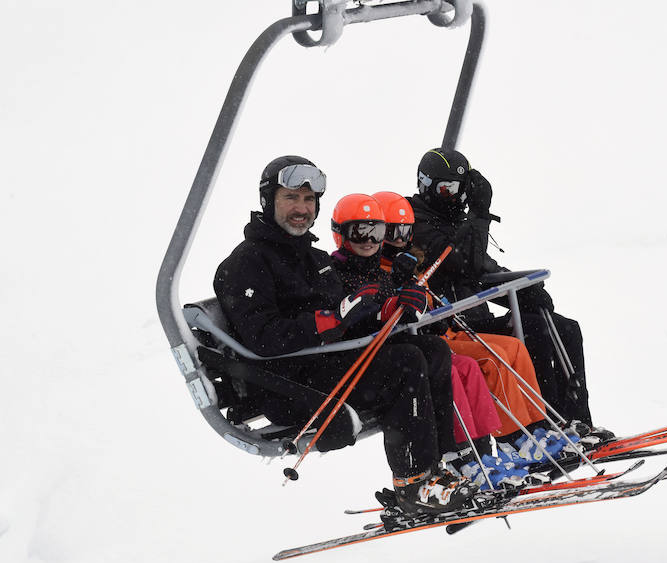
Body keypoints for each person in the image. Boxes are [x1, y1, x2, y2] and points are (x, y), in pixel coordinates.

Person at [213, 156, 479, 515]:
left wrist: (389, 310)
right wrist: (329, 319)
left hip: (325, 366)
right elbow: (263, 338)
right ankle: (414, 483)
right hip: (287, 385)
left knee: (430, 349)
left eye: (309, 201)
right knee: (405, 362)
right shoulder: (247, 263)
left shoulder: (313, 257)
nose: (301, 209)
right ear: (268, 200)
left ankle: (441, 470)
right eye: (291, 197)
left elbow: (348, 316)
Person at [407, 148, 613, 441]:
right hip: (453, 324)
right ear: (426, 185)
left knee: (564, 327)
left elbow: (483, 270)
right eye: (447, 188)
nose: (456, 197)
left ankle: (577, 421)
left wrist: (523, 289)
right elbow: (463, 263)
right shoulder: (417, 223)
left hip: (475, 315)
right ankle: (551, 424)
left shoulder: (456, 223)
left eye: (462, 189)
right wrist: (479, 216)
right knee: (535, 332)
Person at [329, 193, 499, 459]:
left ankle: (481, 452)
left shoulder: (388, 270)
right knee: (440, 365)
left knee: (465, 366)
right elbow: (355, 316)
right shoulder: (337, 273)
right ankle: (453, 456)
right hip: (369, 364)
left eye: (377, 232)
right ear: (341, 233)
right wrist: (393, 306)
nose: (371, 240)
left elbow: (418, 311)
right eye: (360, 232)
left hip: (406, 349)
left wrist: (415, 301)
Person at [373, 191, 549, 442]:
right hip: (428, 341)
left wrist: (439, 305)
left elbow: (437, 291)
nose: (400, 241)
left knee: (515, 347)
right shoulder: (378, 269)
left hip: (447, 330)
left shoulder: (414, 260)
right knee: (492, 359)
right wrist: (398, 283)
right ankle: (515, 439)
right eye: (392, 234)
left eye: (405, 232)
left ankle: (537, 427)